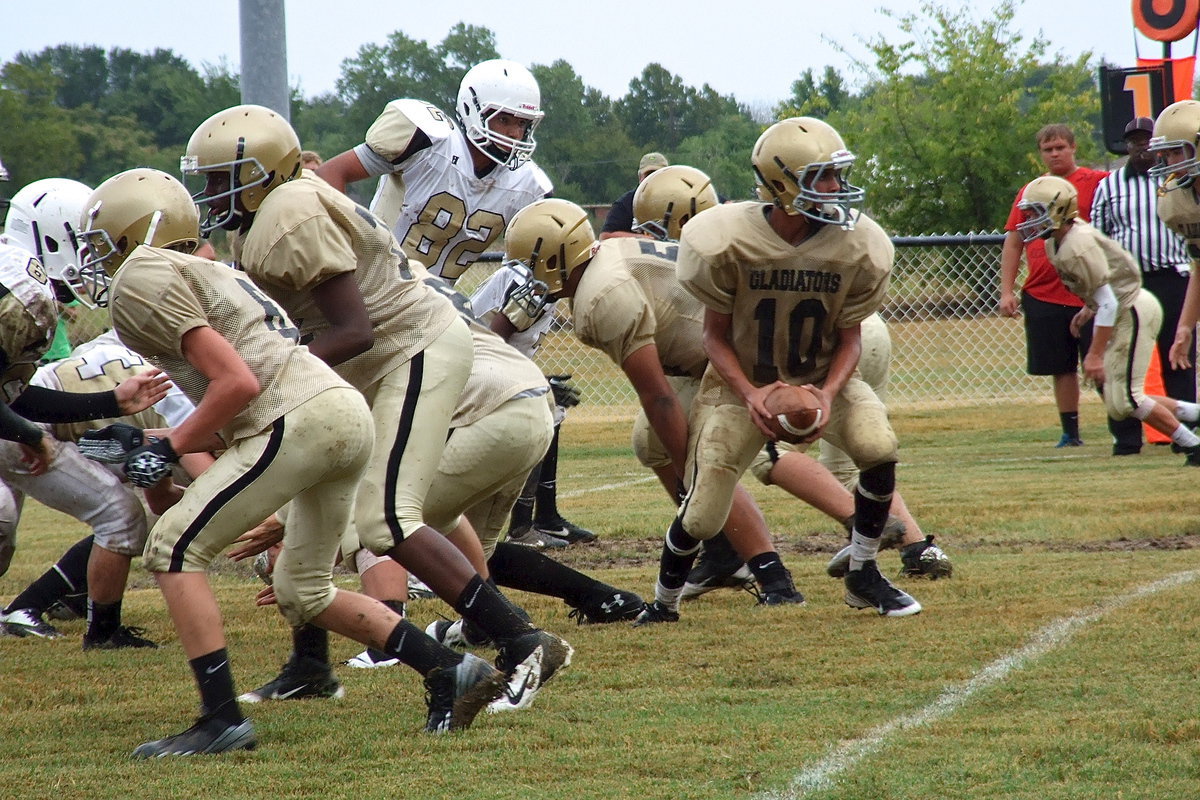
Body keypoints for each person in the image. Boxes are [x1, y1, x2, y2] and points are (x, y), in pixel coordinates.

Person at [74, 167, 516, 755]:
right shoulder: (205, 268)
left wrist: (169, 446)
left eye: (102, 241)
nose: (97, 257)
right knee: (303, 589)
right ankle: (447, 669)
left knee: (173, 549)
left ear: (137, 231)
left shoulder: (144, 275)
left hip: (296, 417)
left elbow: (237, 381)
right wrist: (163, 439)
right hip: (338, 413)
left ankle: (221, 720)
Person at [182, 105, 570, 709]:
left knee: (387, 519)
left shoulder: (289, 212)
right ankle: (310, 667)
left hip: (411, 349)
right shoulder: (264, 217)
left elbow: (354, 328)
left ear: (260, 172)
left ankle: (520, 640)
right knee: (302, 568)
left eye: (218, 178)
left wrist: (280, 372)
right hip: (375, 365)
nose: (210, 193)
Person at [635, 117, 923, 623]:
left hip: (822, 378)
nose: (836, 189)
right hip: (736, 388)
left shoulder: (859, 243)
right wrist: (749, 395)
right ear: (782, 182)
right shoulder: (725, 239)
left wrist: (829, 395)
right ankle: (662, 604)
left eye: (837, 175)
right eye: (823, 177)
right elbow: (714, 338)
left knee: (879, 447)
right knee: (702, 513)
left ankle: (863, 573)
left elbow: (851, 337)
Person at [500, 172, 806, 618]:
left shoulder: (601, 297)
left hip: (741, 349)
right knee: (654, 442)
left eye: (531, 263)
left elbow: (658, 395)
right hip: (718, 345)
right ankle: (723, 551)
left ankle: (774, 577)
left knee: (706, 462)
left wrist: (691, 477)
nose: (526, 276)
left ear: (555, 258)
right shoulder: (602, 259)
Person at [1, 330, 207, 648]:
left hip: (33, 415)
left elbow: (158, 491)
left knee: (129, 518)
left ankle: (65, 603)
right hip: (28, 427)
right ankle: (87, 628)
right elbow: (210, 493)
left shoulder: (129, 336)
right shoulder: (182, 393)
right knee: (121, 518)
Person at [1016, 175, 1200, 463]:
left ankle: (1192, 444)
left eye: (1036, 214)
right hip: (1124, 308)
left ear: (1058, 209)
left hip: (1132, 309)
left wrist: (1094, 354)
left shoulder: (1076, 244)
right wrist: (1087, 308)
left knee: (1127, 398)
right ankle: (1195, 415)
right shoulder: (1060, 240)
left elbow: (1110, 301)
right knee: (1119, 403)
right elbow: (1105, 286)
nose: (1029, 221)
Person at [315, 58, 551, 283]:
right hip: (374, 285)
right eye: (504, 120)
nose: (514, 133)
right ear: (473, 109)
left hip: (439, 307)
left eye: (522, 123)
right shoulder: (430, 140)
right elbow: (330, 174)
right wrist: (341, 256)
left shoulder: (528, 184)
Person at [999, 124, 1110, 449]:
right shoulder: (1031, 191)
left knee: (1102, 363)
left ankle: (1125, 423)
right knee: (1061, 368)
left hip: (1089, 292)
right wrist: (1007, 290)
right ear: (1041, 154)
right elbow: (1014, 239)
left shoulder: (1098, 182)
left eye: (1060, 147)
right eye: (1048, 149)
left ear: (1073, 147)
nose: (1055, 153)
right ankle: (1070, 432)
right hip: (1044, 292)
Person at [470, 265, 596, 548]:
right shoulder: (529, 288)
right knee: (543, 407)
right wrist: (538, 383)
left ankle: (546, 519)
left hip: (487, 368)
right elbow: (488, 347)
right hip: (474, 373)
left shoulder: (539, 284)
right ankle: (521, 527)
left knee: (552, 410)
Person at [1090, 117, 1194, 455]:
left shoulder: (1179, 179)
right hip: (1129, 286)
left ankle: (1187, 434)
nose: (1141, 146)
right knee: (1119, 358)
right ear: (1126, 145)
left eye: (1147, 139)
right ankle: (1126, 437)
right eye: (1134, 140)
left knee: (1178, 356)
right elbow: (1098, 236)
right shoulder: (1109, 185)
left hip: (1173, 276)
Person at [598, 151, 669, 240]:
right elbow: (605, 236)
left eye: (657, 175)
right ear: (640, 178)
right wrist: (645, 239)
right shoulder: (625, 203)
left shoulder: (679, 200)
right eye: (648, 175)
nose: (652, 179)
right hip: (635, 253)